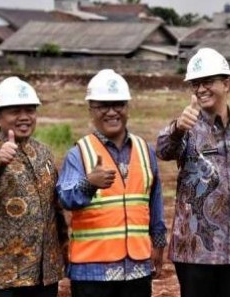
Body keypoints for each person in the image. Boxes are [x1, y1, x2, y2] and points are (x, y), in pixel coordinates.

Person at [155, 48, 230, 297]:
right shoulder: (187, 127)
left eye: (207, 82)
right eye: (196, 84)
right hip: (196, 251)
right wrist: (177, 128)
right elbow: (163, 150)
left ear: (226, 83)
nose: (201, 89)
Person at [57, 69, 166, 297]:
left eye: (118, 105)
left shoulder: (145, 150)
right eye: (102, 106)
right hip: (92, 270)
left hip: (137, 267)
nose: (111, 112)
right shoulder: (79, 153)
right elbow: (65, 198)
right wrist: (89, 183)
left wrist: (158, 241)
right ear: (91, 110)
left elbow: (154, 201)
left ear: (127, 107)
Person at [0, 77, 67, 297]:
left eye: (30, 110)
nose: (24, 117)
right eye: (15, 111)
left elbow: (54, 208)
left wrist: (64, 246)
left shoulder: (44, 154)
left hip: (42, 273)